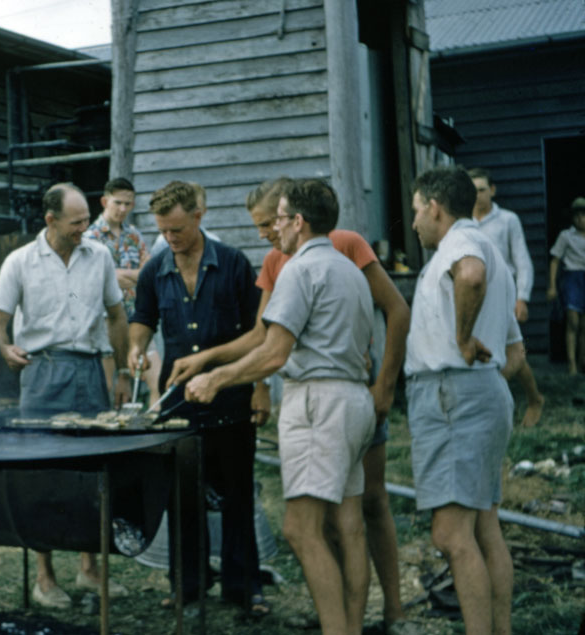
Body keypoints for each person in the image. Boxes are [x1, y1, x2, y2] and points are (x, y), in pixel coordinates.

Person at [170, 178, 416, 633]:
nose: (274, 230)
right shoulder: (346, 269)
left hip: (319, 402)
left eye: (278, 219)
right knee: (348, 523)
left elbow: (274, 351)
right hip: (353, 399)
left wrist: (215, 378)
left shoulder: (299, 270)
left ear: (298, 222)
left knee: (301, 530)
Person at [0, 182, 132, 608]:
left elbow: (117, 316)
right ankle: (45, 578)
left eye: (87, 219)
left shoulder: (99, 256)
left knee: (94, 474)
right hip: (42, 374)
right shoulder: (20, 262)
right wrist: (5, 347)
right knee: (40, 477)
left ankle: (89, 569)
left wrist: (121, 371)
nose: (85, 228)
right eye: (77, 222)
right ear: (50, 221)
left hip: (89, 372)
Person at [126, 181, 266, 614]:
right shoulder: (155, 269)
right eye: (164, 232)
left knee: (238, 495)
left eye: (178, 230)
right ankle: (188, 584)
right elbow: (142, 319)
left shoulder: (235, 264)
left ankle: (244, 589)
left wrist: (260, 387)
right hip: (179, 404)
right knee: (182, 496)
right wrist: (135, 347)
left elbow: (260, 334)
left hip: (230, 398)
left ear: (199, 216)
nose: (171, 239)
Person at [406, 166, 525, 634]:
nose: (413, 222)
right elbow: (515, 350)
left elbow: (470, 277)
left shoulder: (461, 246)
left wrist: (460, 338)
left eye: (416, 211)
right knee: (483, 527)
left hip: (452, 393)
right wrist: (486, 382)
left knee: (451, 534)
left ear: (435, 207)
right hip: (481, 392)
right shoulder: (492, 249)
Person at [469, 167, 546, 427]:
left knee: (513, 349)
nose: (477, 195)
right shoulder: (465, 222)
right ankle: (497, 404)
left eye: (481, 189)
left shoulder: (508, 220)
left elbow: (522, 260)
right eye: (473, 190)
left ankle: (534, 399)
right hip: (475, 292)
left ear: (492, 190)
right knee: (488, 348)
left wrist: (521, 297)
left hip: (504, 292)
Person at [84, 177, 162, 405]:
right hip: (106, 323)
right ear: (104, 201)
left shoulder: (134, 235)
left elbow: (149, 276)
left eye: (128, 204)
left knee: (157, 382)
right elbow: (99, 280)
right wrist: (128, 276)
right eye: (117, 203)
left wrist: (120, 276)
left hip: (138, 320)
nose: (122, 209)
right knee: (113, 391)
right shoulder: (90, 237)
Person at [547, 197, 585, 375]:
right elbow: (555, 261)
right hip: (572, 278)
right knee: (573, 322)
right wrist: (552, 286)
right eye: (577, 216)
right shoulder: (566, 236)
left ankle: (581, 361)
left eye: (584, 215)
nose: (580, 219)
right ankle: (571, 364)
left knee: (584, 325)